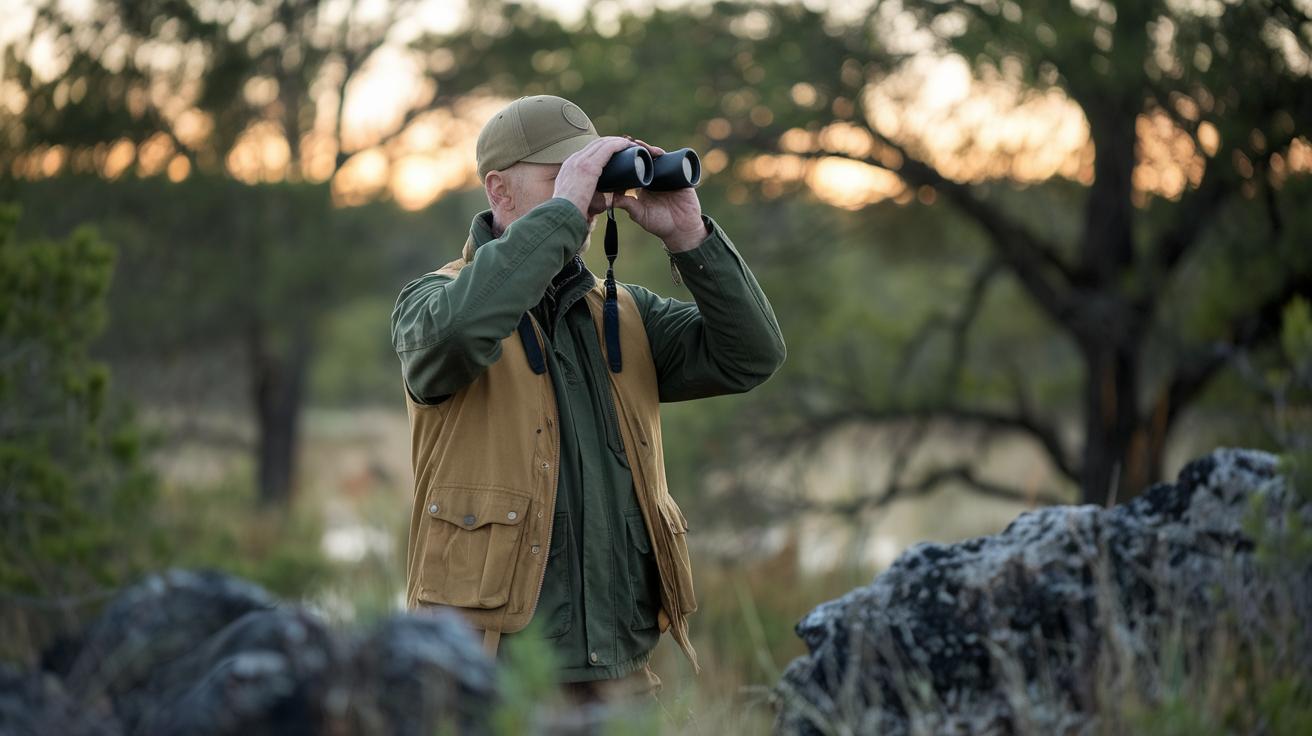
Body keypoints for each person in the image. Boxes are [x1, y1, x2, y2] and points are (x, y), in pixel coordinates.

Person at [391, 94, 785, 703]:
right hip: (489, 670)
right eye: (561, 176)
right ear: (498, 190)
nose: (590, 197)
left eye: (592, 176)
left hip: (619, 670)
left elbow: (750, 355)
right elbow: (456, 337)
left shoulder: (624, 314)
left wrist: (690, 235)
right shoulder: (433, 301)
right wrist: (563, 216)